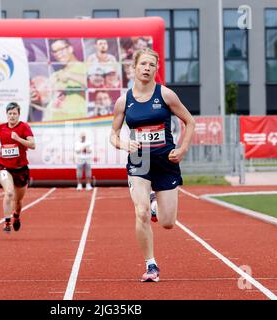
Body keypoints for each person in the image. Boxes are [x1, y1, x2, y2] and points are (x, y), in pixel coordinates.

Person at [110, 48, 195, 282]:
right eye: (143, 64)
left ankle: (156, 205)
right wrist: (123, 144)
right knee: (140, 212)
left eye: (151, 65)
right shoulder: (123, 101)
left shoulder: (166, 95)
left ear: (156, 69)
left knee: (168, 223)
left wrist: (182, 149)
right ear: (134, 68)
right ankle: (151, 265)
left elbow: (190, 122)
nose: (147, 68)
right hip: (139, 161)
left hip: (165, 160)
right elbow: (113, 134)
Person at [0, 102, 36, 233]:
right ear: (6, 115)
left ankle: (16, 217)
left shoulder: (24, 127)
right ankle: (6, 222)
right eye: (10, 113)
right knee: (8, 193)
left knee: (18, 201)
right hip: (4, 167)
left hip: (21, 169)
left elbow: (32, 145)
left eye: (15, 114)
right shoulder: (1, 127)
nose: (12, 116)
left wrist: (18, 138)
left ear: (19, 115)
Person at [48, 39, 87, 120]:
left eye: (61, 50)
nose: (58, 54)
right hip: (54, 122)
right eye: (55, 52)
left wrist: (70, 75)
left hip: (77, 122)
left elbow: (94, 85)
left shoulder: (85, 67)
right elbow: (46, 98)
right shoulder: (55, 74)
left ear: (70, 49)